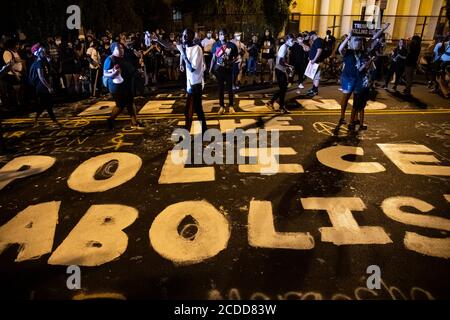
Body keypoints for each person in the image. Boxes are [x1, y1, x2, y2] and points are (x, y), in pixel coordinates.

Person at [103, 42, 144, 130]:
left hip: (126, 84)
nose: (121, 50)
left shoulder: (123, 58)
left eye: (122, 48)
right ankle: (110, 120)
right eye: (119, 48)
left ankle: (134, 121)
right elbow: (105, 73)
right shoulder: (110, 59)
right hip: (116, 86)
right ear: (113, 49)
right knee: (120, 105)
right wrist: (113, 73)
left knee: (130, 102)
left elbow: (129, 67)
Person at [178, 29, 207, 134]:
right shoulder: (186, 48)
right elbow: (171, 46)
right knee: (198, 110)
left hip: (196, 84)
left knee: (188, 111)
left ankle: (187, 132)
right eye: (183, 35)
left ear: (191, 37)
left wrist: (182, 53)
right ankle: (205, 131)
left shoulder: (197, 49)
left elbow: (192, 68)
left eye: (186, 35)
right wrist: (157, 40)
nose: (184, 37)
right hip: (191, 84)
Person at [29, 43, 61, 128]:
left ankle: (37, 118)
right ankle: (54, 121)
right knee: (47, 105)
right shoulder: (38, 62)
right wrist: (49, 87)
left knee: (45, 105)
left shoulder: (44, 60)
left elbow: (49, 71)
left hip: (45, 85)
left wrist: (49, 60)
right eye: (42, 50)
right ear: (38, 52)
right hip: (41, 86)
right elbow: (41, 76)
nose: (44, 51)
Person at [209, 29, 238, 115]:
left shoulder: (232, 45)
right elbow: (213, 58)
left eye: (224, 34)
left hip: (228, 69)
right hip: (219, 70)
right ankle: (221, 106)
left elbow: (236, 58)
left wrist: (230, 62)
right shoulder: (216, 45)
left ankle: (231, 106)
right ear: (218, 35)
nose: (223, 36)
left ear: (227, 35)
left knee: (230, 89)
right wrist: (210, 70)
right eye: (221, 34)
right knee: (220, 89)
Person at [265, 34, 295, 114]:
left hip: (281, 69)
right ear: (287, 40)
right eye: (291, 40)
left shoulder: (286, 47)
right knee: (283, 88)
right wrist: (289, 66)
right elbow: (281, 61)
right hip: (279, 69)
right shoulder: (284, 47)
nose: (293, 42)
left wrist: (287, 67)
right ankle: (280, 107)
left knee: (283, 88)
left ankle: (272, 103)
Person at [306, 31, 325, 97]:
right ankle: (313, 89)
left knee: (316, 77)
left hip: (317, 62)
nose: (310, 38)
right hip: (315, 62)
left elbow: (319, 51)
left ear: (313, 35)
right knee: (314, 76)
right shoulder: (316, 41)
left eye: (310, 36)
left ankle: (315, 91)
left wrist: (314, 59)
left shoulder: (318, 41)